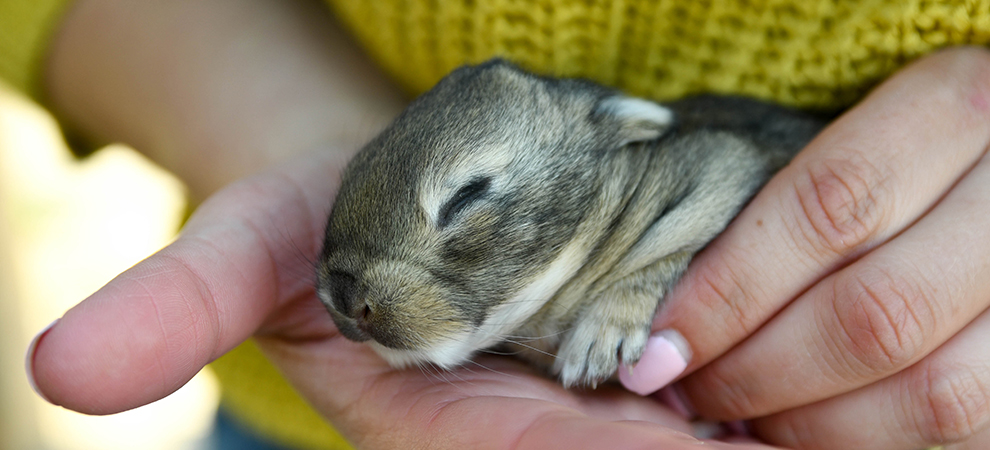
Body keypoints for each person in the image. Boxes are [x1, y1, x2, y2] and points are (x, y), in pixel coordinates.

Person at [8, 0, 990, 448]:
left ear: (620, 140)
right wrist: (299, 134)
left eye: (465, 203)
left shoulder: (659, 167)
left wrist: (640, 290)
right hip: (304, 425)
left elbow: (727, 174)